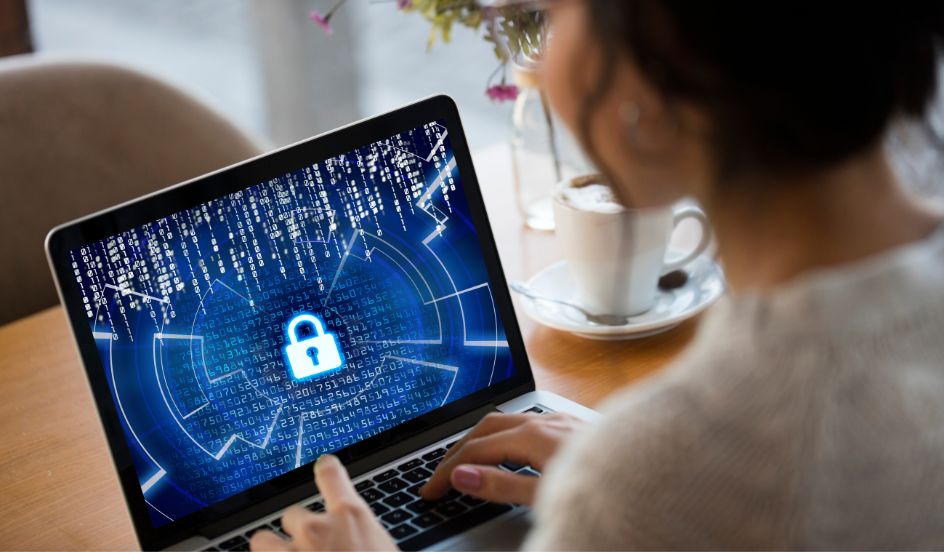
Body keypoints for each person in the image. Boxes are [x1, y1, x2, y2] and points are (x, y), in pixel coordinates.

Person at [251, 1, 944, 549]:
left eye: (555, 15)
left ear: (660, 75)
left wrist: (642, 482)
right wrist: (638, 468)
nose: (538, 64)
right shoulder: (661, 476)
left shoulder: (657, 484)